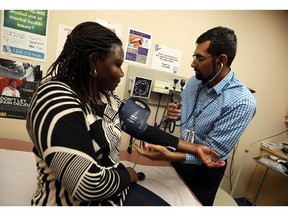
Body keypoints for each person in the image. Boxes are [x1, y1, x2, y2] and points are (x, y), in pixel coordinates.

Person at [26, 21, 225, 206]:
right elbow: (87, 184)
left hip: (113, 192)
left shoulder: (106, 97)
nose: (122, 73)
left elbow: (142, 129)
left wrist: (195, 148)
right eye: (117, 65)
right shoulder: (54, 97)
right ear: (93, 62)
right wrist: (127, 174)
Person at [134, 26, 256, 206]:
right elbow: (185, 116)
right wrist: (174, 114)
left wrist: (171, 155)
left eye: (200, 58)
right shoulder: (194, 82)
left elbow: (212, 155)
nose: (193, 63)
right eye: (194, 56)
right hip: (180, 154)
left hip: (205, 170)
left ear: (221, 60)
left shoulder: (242, 102)